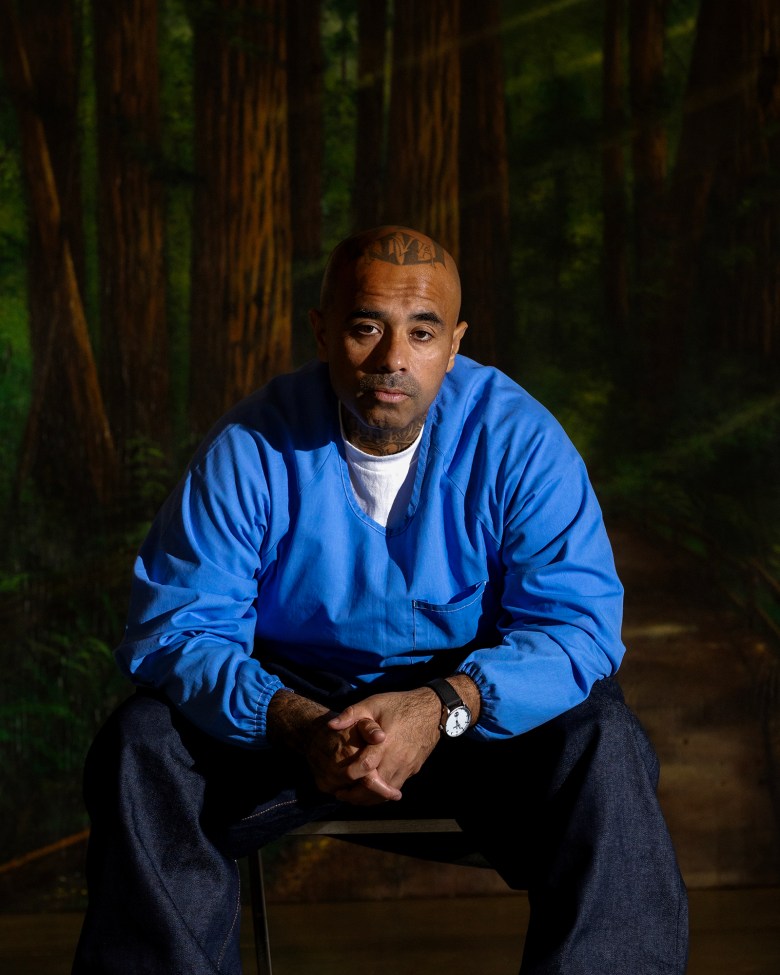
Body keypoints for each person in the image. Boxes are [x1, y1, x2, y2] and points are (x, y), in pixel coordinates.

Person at [72, 225, 688, 974]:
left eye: (422, 331)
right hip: (292, 715)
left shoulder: (519, 439)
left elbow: (580, 631)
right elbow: (175, 627)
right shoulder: (252, 444)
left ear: (454, 343)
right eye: (367, 326)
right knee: (143, 742)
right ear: (324, 330)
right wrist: (294, 721)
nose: (394, 358)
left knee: (605, 741)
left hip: (473, 717)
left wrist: (442, 704)